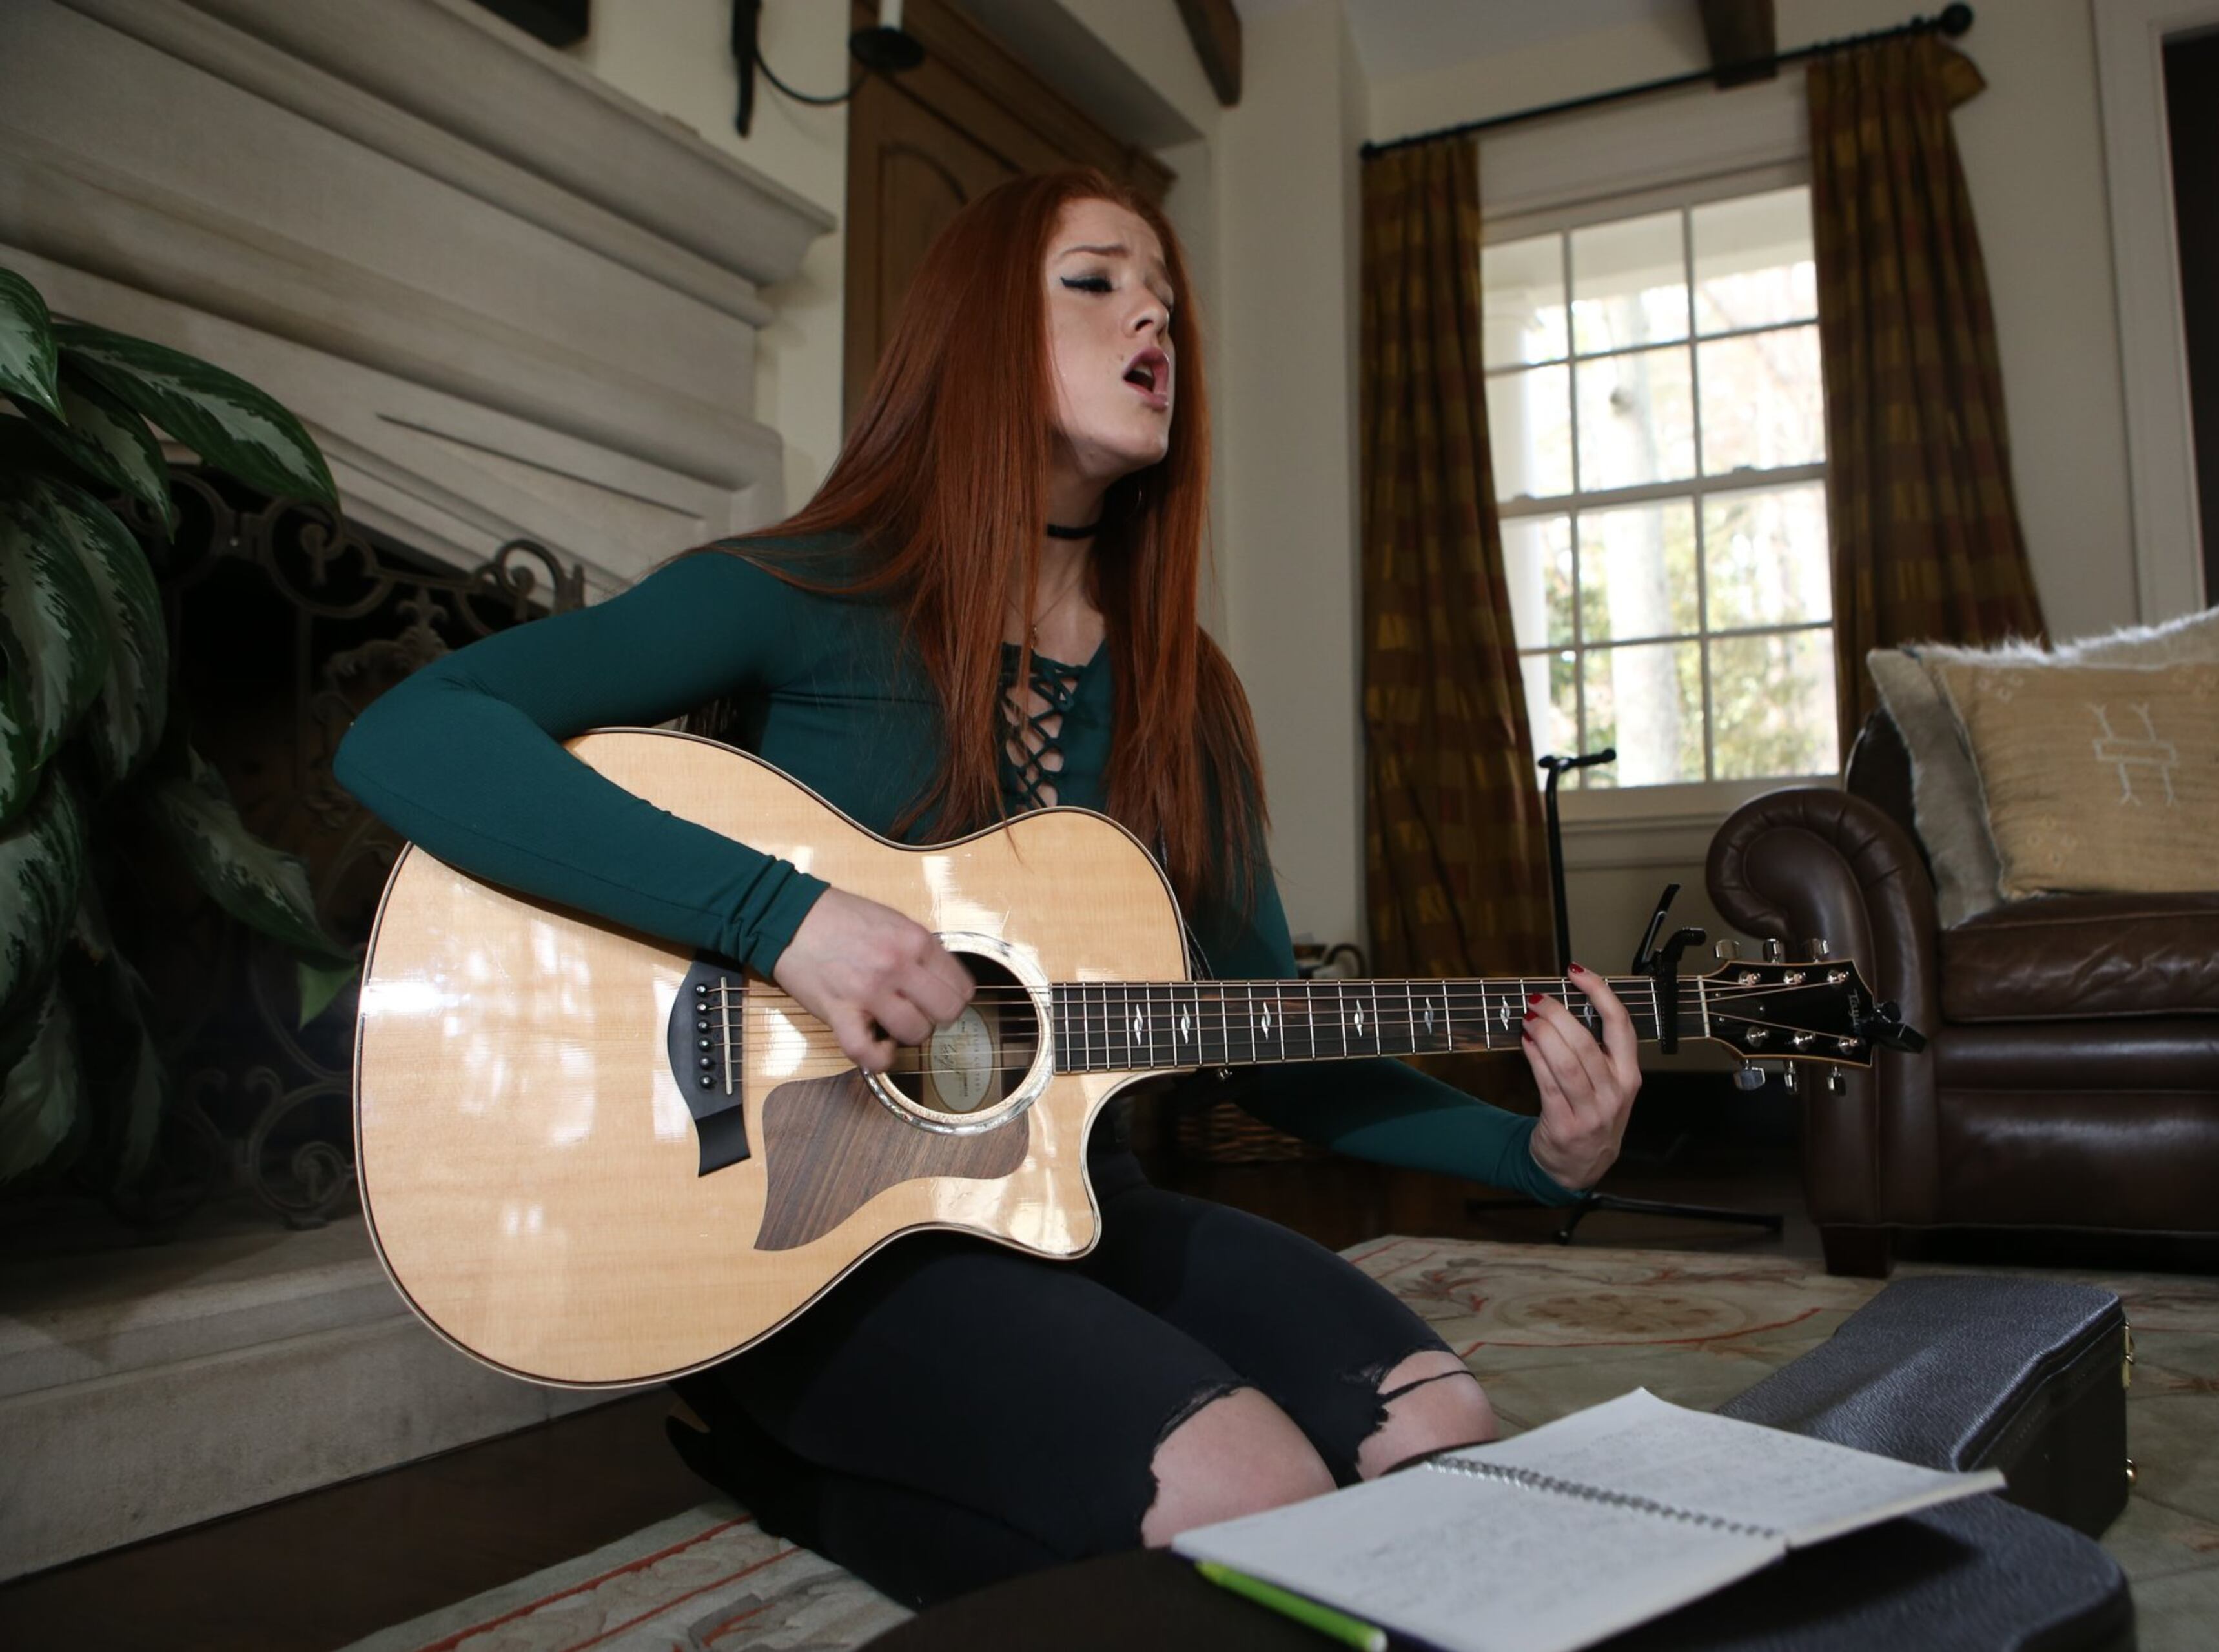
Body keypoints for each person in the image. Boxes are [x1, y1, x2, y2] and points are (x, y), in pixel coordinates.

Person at [334, 167, 1642, 1607]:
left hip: (1079, 1201)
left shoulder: (1180, 692)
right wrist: (787, 921)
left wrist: (1534, 1156)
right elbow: (412, 731)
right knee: (1254, 1489)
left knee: (1438, 1429)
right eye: (1095, 279)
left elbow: (1271, 1039)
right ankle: (814, 1479)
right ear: (972, 331)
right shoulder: (800, 590)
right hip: (815, 1247)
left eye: (1164, 294)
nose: (1154, 311)